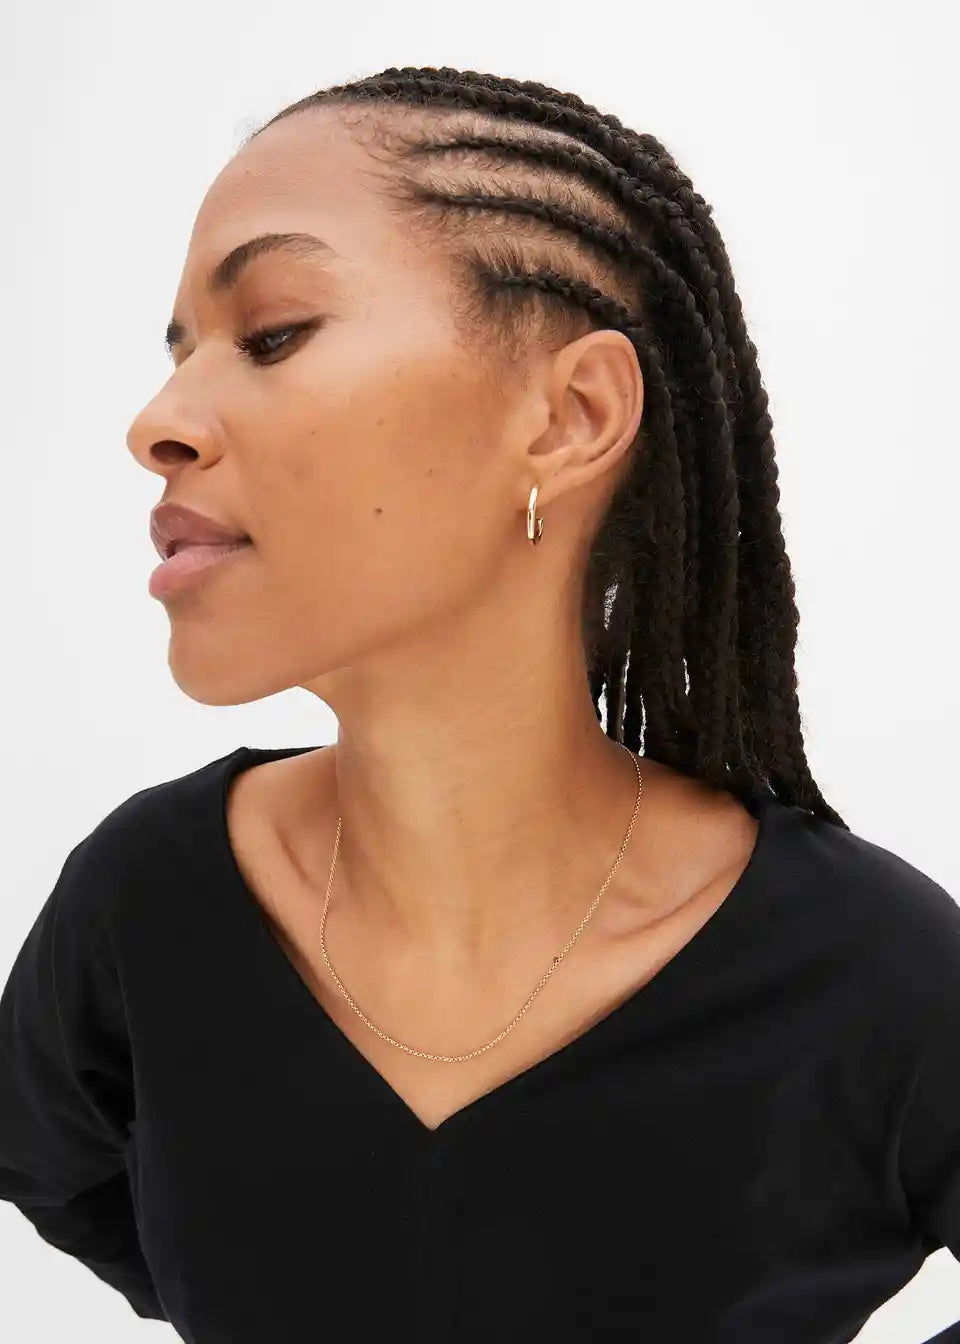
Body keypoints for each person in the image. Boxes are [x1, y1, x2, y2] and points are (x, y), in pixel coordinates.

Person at [1, 64, 957, 1344]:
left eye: (272, 333)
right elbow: (56, 1175)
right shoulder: (143, 906)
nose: (156, 424)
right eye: (177, 355)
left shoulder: (870, 973)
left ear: (570, 416)